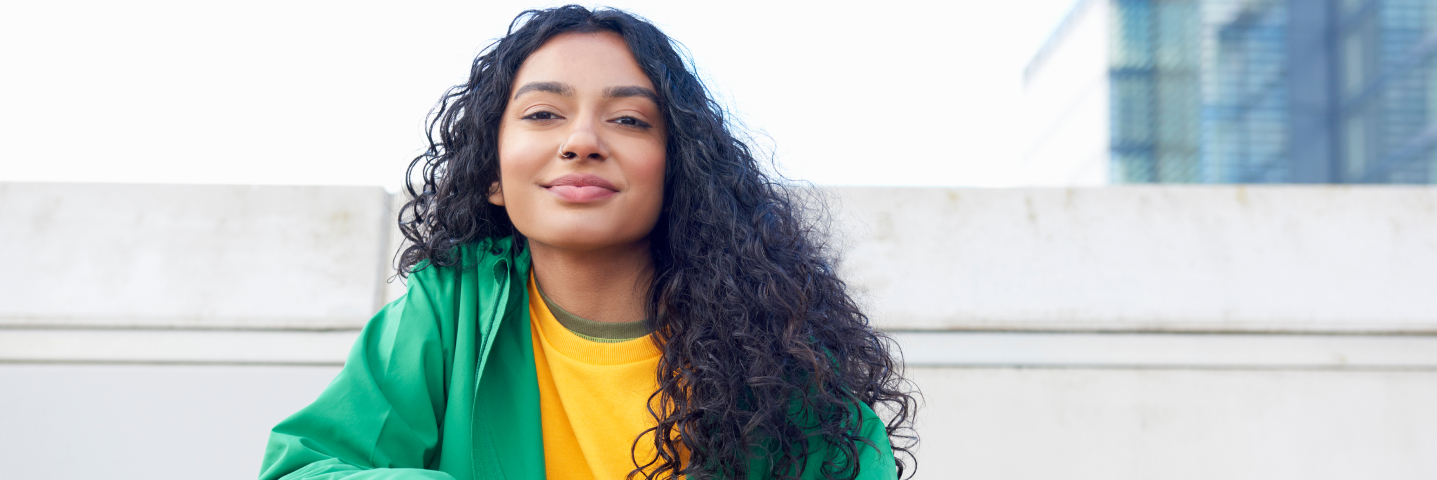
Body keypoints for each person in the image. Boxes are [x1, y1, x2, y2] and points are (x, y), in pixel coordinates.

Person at [259, 5, 917, 480]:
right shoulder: (447, 308)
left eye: (628, 119)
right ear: (492, 172)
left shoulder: (773, 351)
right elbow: (303, 469)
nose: (580, 141)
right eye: (543, 113)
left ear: (677, 170)